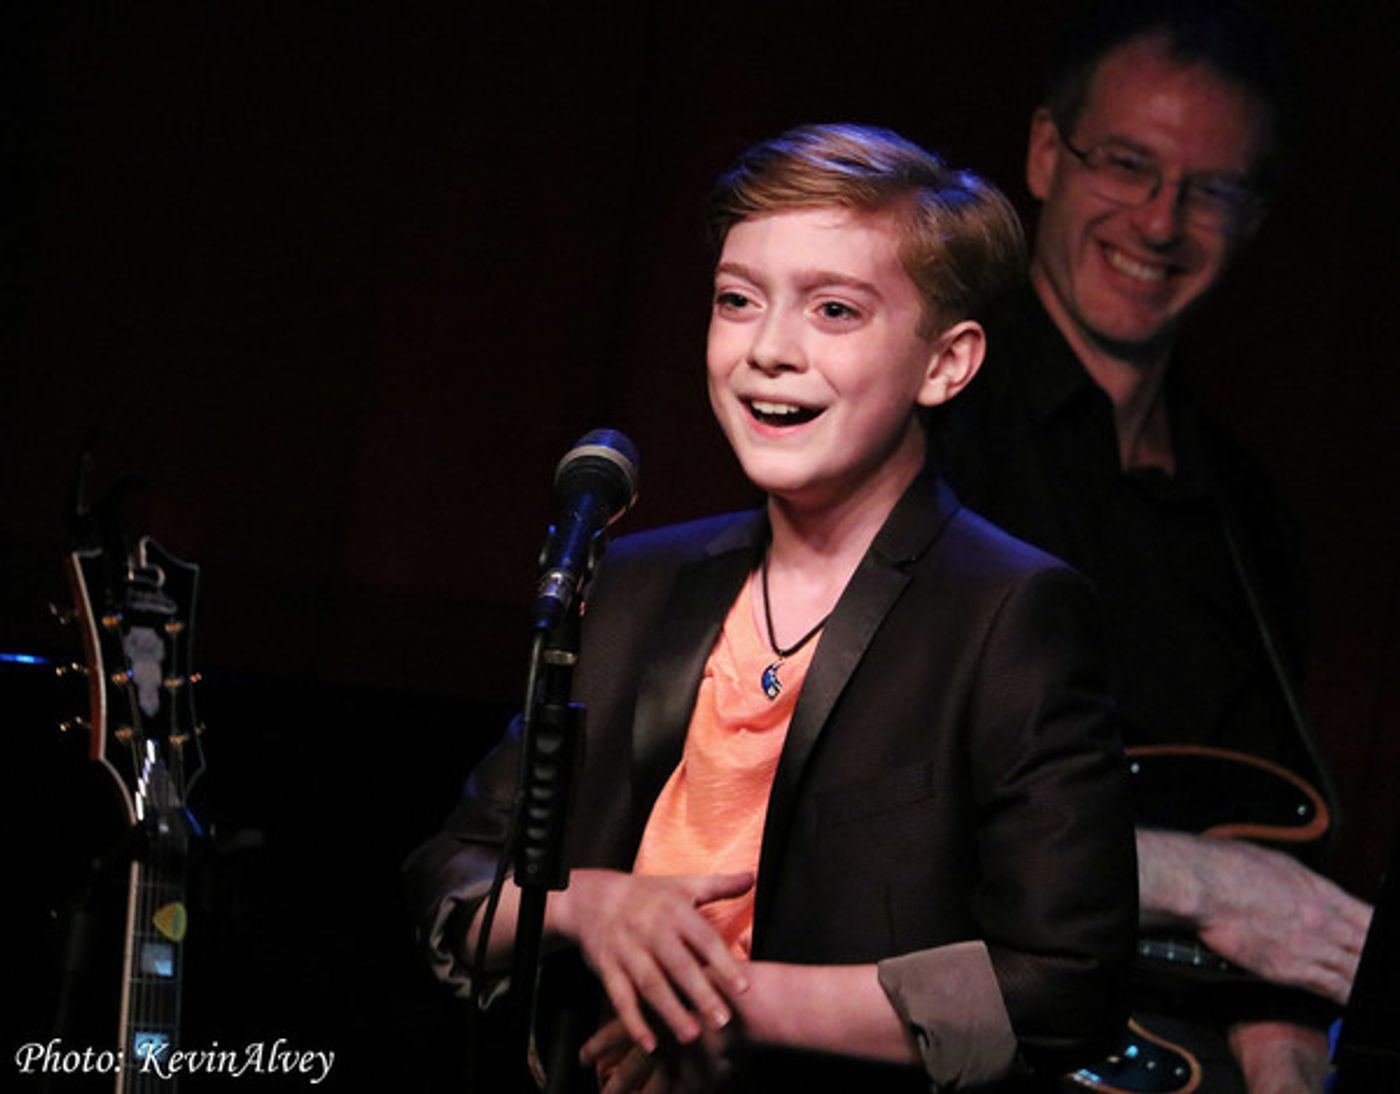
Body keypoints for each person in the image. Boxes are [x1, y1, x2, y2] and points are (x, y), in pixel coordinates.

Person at [405, 124, 1137, 1091]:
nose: (769, 351)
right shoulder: (632, 583)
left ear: (946, 364)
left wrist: (723, 1001)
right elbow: (453, 879)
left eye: (834, 310)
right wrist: (594, 906)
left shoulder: (1006, 613)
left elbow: (1064, 989)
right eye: (738, 302)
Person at [928, 2, 1373, 1090]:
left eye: (1208, 189)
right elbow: (869, 805)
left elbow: (1271, 847)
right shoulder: (919, 426)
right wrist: (1197, 880)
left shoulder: (1247, 517)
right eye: (1125, 164)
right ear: (1044, 153)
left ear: (1254, 216)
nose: (1159, 221)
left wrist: (1283, 1056)